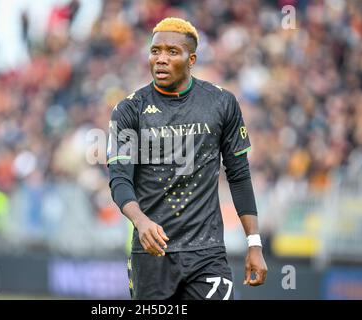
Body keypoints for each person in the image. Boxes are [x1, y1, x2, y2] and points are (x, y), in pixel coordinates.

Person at [107, 17, 267, 300]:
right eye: (155, 51)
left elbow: (239, 176)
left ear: (191, 59)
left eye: (172, 52)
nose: (161, 59)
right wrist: (140, 221)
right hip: (151, 253)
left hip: (207, 253)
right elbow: (119, 178)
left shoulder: (221, 103)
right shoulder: (129, 109)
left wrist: (254, 243)